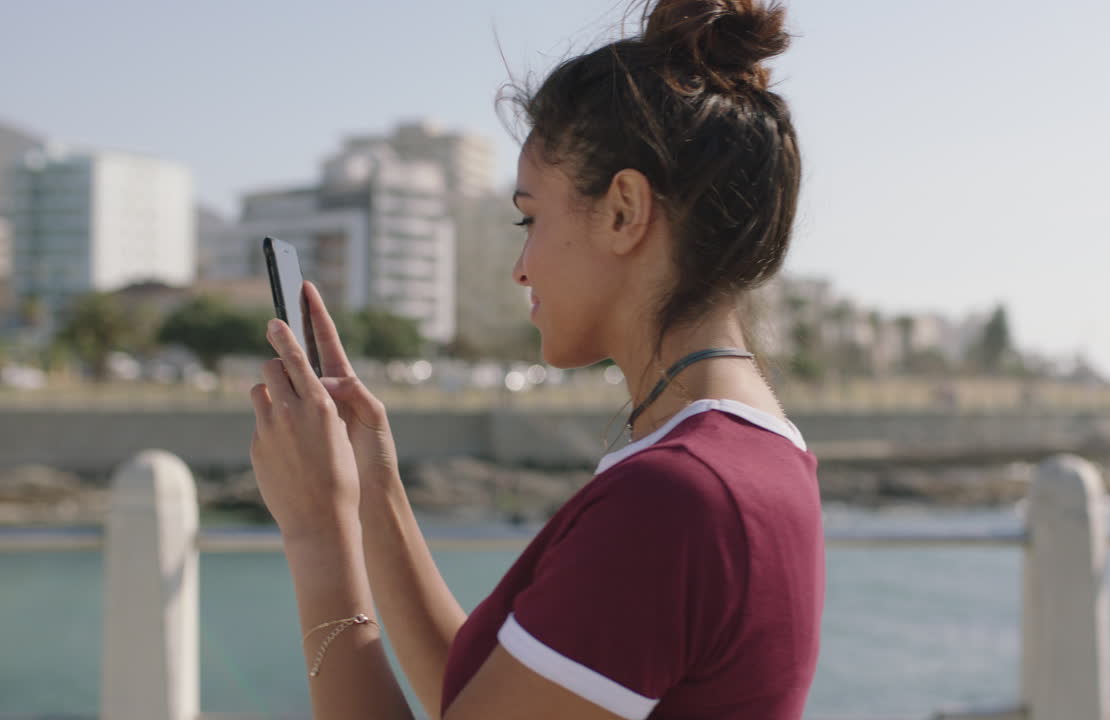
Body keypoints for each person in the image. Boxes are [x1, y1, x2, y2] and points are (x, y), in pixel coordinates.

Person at [248, 0, 823, 718]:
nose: (521, 268)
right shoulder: (754, 458)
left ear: (624, 210)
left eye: (531, 218)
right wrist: (372, 492)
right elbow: (479, 700)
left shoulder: (675, 500)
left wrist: (317, 539)